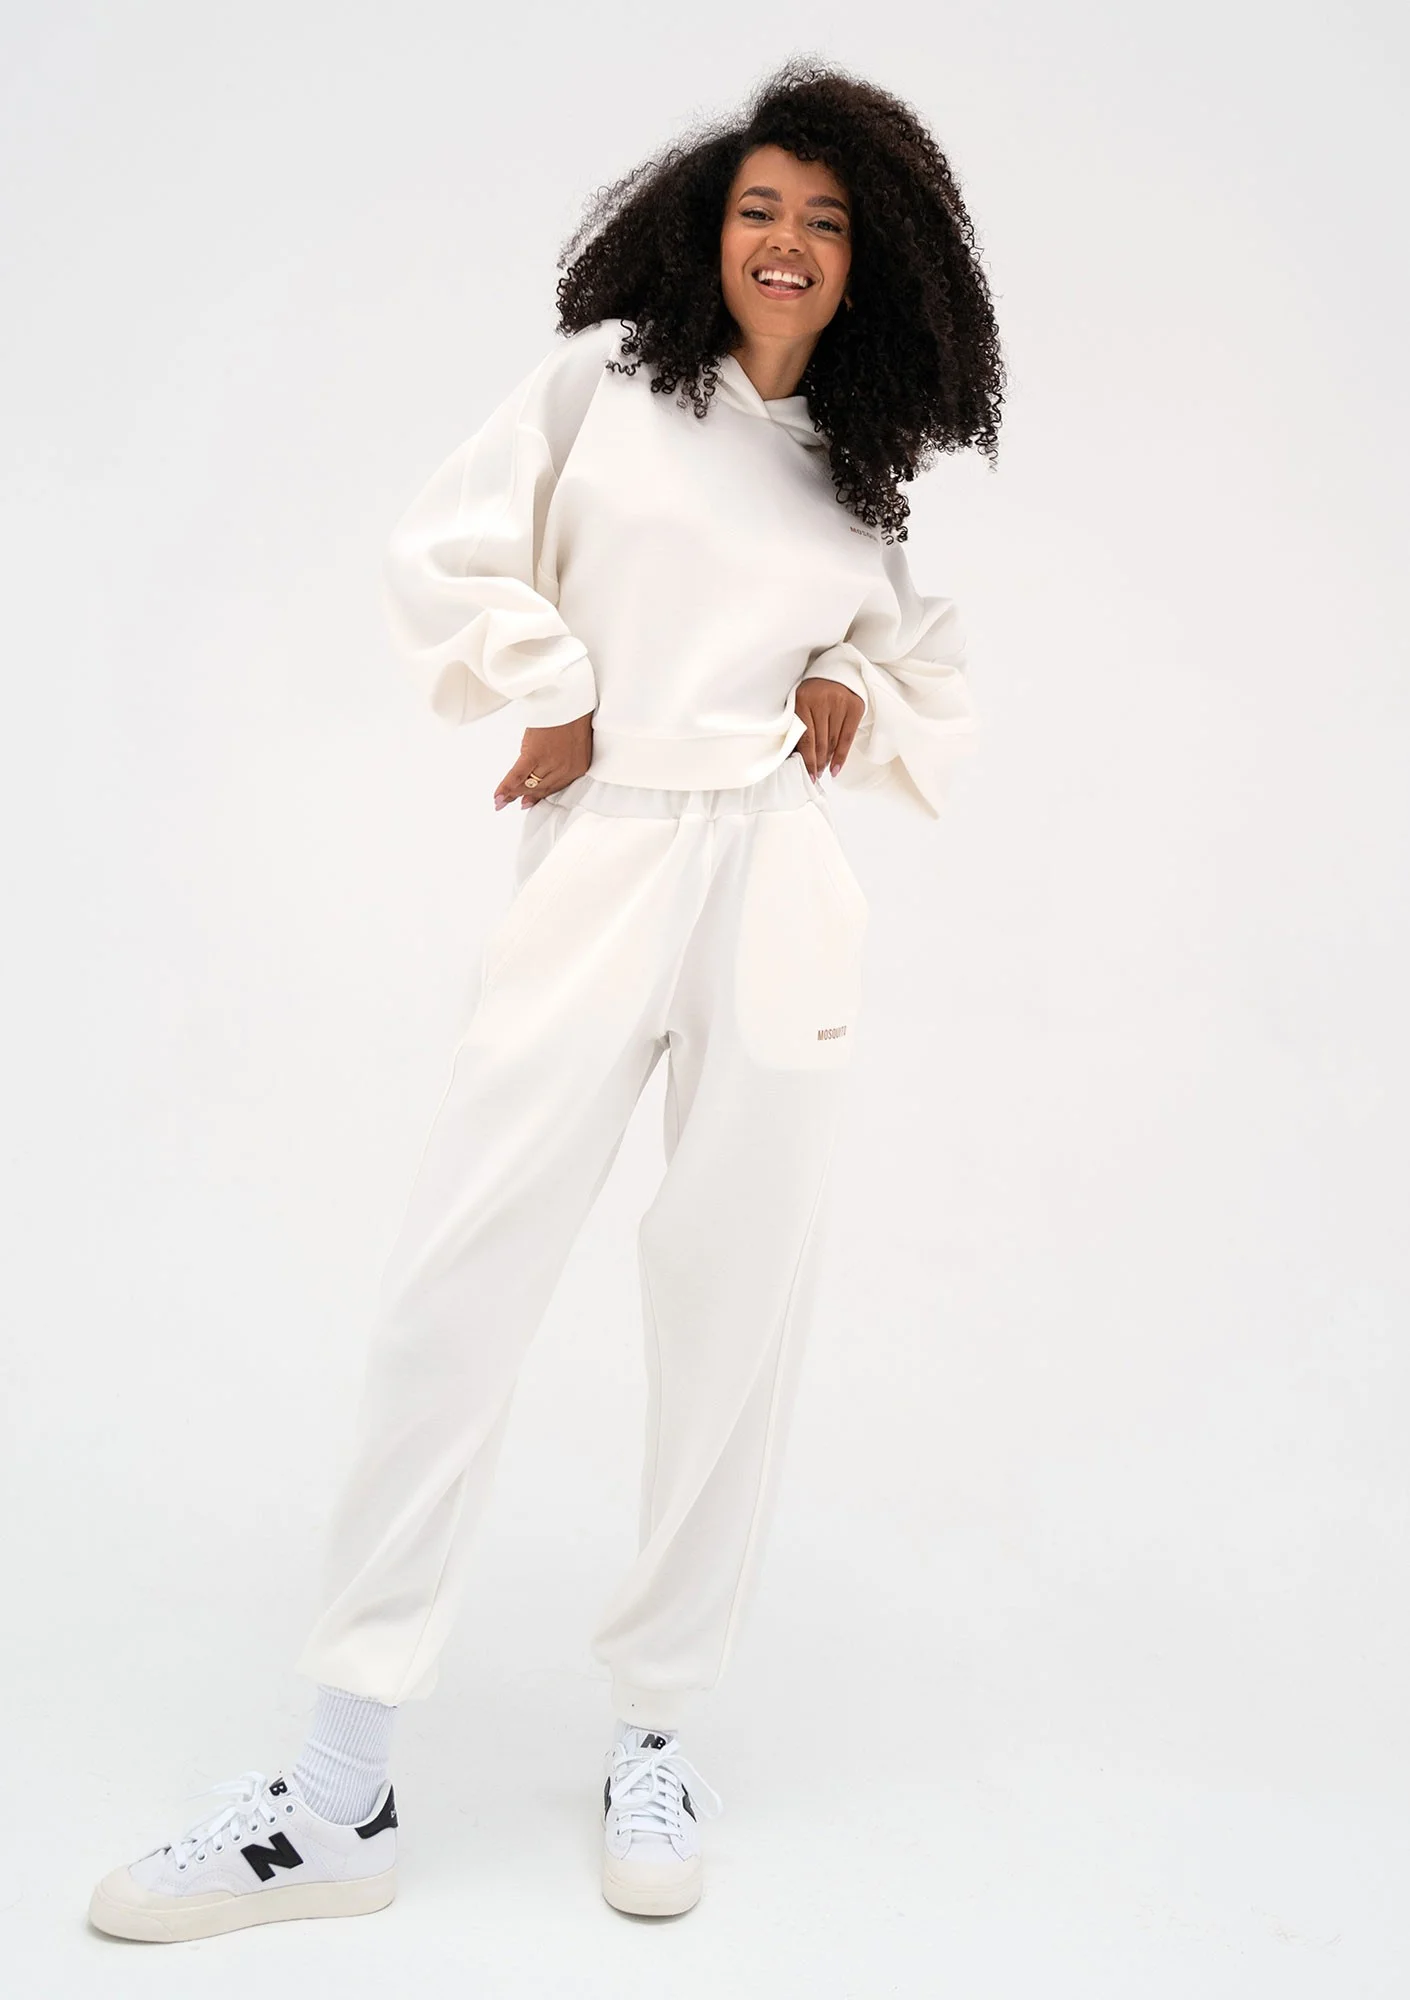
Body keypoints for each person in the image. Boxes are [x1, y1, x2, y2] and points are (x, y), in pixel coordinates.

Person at [88, 57, 1004, 1942]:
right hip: (607, 852)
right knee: (461, 1280)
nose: (785, 243)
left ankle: (654, 1732)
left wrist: (849, 679)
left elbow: (911, 654)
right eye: (758, 209)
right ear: (705, 226)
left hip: (770, 878)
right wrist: (556, 683)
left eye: (826, 222)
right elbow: (444, 551)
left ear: (874, 263)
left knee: (734, 1304)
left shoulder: (854, 462)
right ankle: (337, 1785)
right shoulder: (603, 385)